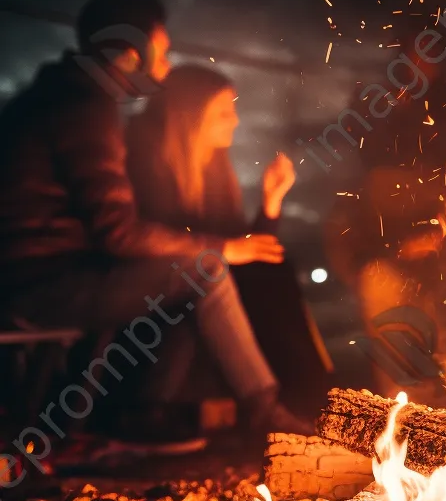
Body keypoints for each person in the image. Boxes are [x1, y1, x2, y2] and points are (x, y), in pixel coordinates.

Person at [0, 0, 311, 445]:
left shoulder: (64, 95)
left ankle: (149, 418)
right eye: (162, 53)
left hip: (42, 273)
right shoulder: (83, 107)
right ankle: (263, 413)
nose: (165, 69)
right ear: (130, 54)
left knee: (191, 275)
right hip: (37, 283)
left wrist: (256, 218)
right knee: (203, 270)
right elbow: (119, 233)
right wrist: (223, 249)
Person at [125, 65, 334, 420]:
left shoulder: (215, 165)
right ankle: (281, 403)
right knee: (248, 272)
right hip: (161, 277)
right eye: (223, 112)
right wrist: (226, 250)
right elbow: (159, 236)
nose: (234, 121)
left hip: (209, 268)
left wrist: (271, 202)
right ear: (191, 116)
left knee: (273, 266)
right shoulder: (148, 160)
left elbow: (242, 242)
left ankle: (312, 395)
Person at [325, 33, 446, 406]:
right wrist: (395, 247)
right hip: (388, 261)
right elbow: (357, 217)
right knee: (384, 296)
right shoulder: (375, 124)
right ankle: (407, 421)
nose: (422, 66)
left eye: (431, 56)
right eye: (415, 55)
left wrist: (439, 234)